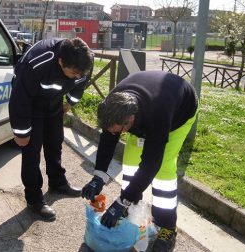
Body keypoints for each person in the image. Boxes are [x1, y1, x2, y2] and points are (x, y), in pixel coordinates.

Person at [82, 71, 198, 252]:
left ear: (131, 120)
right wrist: (98, 177)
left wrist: (121, 201)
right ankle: (131, 206)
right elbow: (107, 141)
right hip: (148, 103)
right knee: (130, 161)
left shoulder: (158, 115)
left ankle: (167, 227)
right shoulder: (114, 106)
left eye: (120, 130)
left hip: (179, 113)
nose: (115, 134)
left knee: (163, 170)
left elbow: (151, 164)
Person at [9, 37, 93, 220]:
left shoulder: (84, 60)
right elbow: (19, 99)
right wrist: (21, 132)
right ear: (60, 61)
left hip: (54, 103)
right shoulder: (37, 62)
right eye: (74, 73)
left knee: (55, 143)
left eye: (81, 73)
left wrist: (70, 102)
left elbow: (82, 82)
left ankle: (57, 182)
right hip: (31, 105)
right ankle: (34, 198)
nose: (78, 76)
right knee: (31, 152)